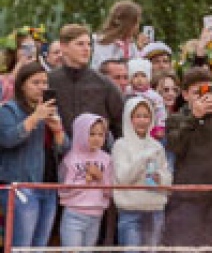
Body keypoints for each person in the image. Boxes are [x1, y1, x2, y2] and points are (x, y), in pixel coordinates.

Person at [164, 67, 212, 248]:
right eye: (197, 92)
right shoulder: (176, 119)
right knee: (186, 247)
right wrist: (194, 118)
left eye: (207, 90)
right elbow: (176, 147)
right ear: (185, 94)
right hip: (188, 198)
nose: (203, 96)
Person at [0, 61, 68, 249]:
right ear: (22, 85)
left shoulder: (50, 111)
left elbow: (64, 148)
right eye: (35, 83)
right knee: (21, 245)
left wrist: (58, 131)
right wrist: (35, 117)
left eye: (45, 83)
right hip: (21, 186)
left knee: (40, 245)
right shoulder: (8, 110)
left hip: (48, 186)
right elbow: (7, 138)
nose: (42, 88)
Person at [112, 96, 172, 250]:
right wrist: (143, 158)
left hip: (155, 209)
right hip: (131, 211)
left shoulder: (157, 146)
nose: (142, 121)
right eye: (137, 116)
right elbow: (123, 178)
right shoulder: (120, 145)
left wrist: (159, 178)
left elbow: (167, 178)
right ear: (129, 118)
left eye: (146, 116)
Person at [48, 23, 125, 137]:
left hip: (96, 151)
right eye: (80, 44)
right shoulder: (49, 80)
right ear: (64, 47)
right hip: (57, 151)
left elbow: (120, 124)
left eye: (89, 44)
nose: (86, 49)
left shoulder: (104, 84)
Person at [58, 113, 114, 249]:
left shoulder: (107, 159)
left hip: (96, 216)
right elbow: (62, 191)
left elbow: (110, 192)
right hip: (74, 215)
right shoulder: (70, 159)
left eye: (101, 135)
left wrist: (100, 177)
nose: (97, 138)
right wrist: (85, 182)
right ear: (80, 133)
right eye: (92, 134)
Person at [91, 0, 143, 68]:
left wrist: (142, 49)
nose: (137, 27)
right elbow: (100, 67)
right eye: (136, 23)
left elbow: (137, 67)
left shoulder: (130, 44)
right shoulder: (102, 41)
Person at [128, 58, 168, 139]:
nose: (139, 80)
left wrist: (160, 127)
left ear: (149, 78)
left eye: (143, 76)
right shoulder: (127, 92)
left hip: (150, 128)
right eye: (135, 76)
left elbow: (160, 113)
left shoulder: (154, 96)